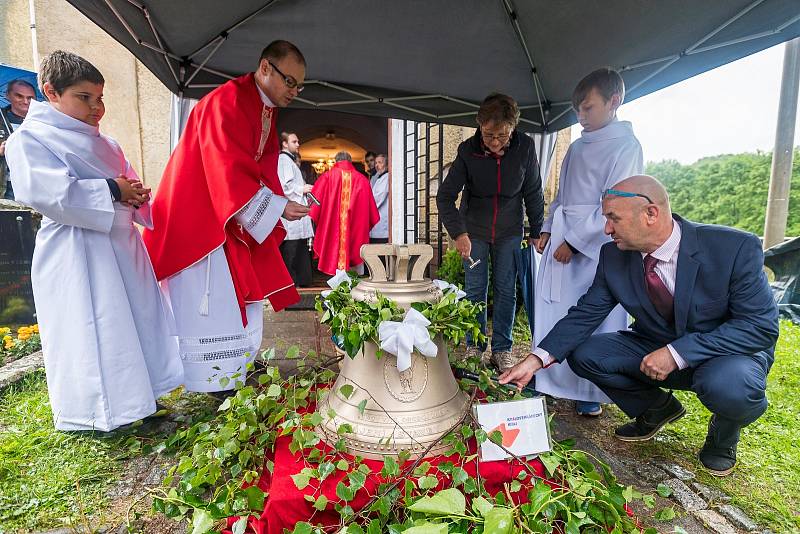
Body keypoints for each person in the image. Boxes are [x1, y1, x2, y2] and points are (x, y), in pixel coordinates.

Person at [500, 175, 779, 476]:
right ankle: (657, 408)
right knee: (585, 354)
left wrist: (675, 353)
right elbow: (585, 314)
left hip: (726, 355)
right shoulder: (613, 256)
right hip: (655, 346)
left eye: (613, 218)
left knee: (732, 388)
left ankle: (723, 435)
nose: (606, 229)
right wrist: (535, 360)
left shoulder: (733, 248)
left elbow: (759, 327)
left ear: (650, 214)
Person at [5, 50, 183, 431]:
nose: (96, 108)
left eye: (99, 98)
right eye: (84, 98)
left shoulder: (109, 142)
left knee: (134, 322)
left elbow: (126, 182)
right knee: (96, 325)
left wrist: (134, 194)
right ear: (51, 92)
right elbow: (46, 193)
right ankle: (100, 414)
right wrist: (112, 190)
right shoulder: (30, 139)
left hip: (121, 243)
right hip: (78, 247)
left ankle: (142, 398)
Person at [143, 40, 308, 392]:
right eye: (289, 81)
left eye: (298, 85)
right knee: (213, 301)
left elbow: (256, 168)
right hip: (200, 217)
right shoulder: (228, 101)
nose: (294, 91)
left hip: (229, 216)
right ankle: (215, 380)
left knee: (240, 296)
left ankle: (236, 368)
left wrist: (278, 201)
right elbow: (224, 168)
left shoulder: (262, 107)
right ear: (265, 68)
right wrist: (277, 206)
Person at [533, 68, 643, 417]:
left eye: (588, 108)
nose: (581, 116)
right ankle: (550, 381)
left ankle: (587, 390)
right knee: (554, 310)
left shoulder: (626, 146)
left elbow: (615, 205)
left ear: (614, 102)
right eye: (577, 109)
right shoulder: (578, 146)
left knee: (591, 313)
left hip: (598, 243)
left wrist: (576, 242)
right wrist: (550, 228)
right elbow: (561, 195)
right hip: (563, 233)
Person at [436, 93, 544, 372]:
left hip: (509, 229)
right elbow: (445, 196)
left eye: (502, 135)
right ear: (479, 125)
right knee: (475, 288)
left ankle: (502, 349)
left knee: (507, 289)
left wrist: (537, 229)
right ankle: (474, 346)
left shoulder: (525, 148)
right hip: (474, 231)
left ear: (514, 127)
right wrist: (459, 233)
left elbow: (532, 191)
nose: (495, 142)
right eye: (489, 135)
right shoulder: (467, 151)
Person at [309, 151, 379, 275]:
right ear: (350, 161)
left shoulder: (327, 177)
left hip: (333, 231)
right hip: (355, 231)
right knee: (355, 273)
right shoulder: (362, 179)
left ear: (336, 161)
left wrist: (323, 217)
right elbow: (371, 211)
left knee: (336, 264)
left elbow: (313, 203)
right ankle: (355, 292)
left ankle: (337, 291)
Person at [278, 131, 314, 286]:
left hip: (297, 215)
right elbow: (284, 186)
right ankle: (291, 284)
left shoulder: (290, 161)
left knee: (298, 250)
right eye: (294, 141)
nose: (298, 144)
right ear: (285, 144)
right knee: (291, 253)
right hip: (291, 215)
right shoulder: (283, 160)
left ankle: (300, 282)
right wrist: (302, 188)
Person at [1, 79, 37, 199]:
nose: (25, 101)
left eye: (30, 98)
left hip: (35, 184)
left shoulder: (43, 122)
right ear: (7, 95)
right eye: (19, 96)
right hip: (6, 185)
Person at [369, 153, 390, 244]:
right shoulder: (378, 178)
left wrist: (365, 206)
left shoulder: (387, 177)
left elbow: (378, 197)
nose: (377, 165)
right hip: (376, 223)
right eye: (376, 163)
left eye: (380, 162)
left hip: (381, 224)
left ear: (386, 164)